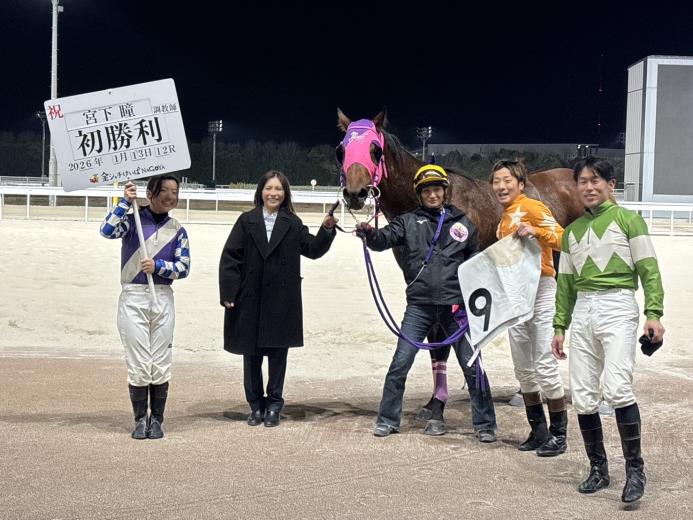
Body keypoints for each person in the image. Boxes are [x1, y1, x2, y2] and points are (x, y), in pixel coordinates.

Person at [552, 157, 665, 503]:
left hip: (618, 305)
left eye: (595, 180)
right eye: (582, 181)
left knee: (617, 389)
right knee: (584, 395)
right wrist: (560, 325)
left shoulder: (629, 220)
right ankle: (598, 469)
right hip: (583, 309)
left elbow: (649, 269)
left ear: (611, 185)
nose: (588, 187)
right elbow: (565, 284)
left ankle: (635, 471)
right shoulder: (571, 233)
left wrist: (654, 313)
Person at [357, 164, 497, 441]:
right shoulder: (407, 222)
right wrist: (370, 233)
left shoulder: (463, 223)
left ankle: (485, 424)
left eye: (437, 190)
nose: (432, 195)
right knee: (400, 362)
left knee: (473, 366)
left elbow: (475, 259)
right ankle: (387, 419)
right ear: (419, 194)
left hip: (455, 307)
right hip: (419, 307)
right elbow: (383, 240)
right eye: (426, 191)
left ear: (445, 192)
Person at [219, 170, 337, 427]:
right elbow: (230, 258)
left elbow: (313, 249)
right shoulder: (246, 221)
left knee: (277, 356)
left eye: (279, 189)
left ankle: (274, 405)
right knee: (251, 356)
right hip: (249, 298)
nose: (273, 193)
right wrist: (228, 293)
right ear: (261, 191)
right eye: (269, 188)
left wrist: (327, 230)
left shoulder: (292, 222)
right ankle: (255, 406)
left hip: (281, 301)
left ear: (285, 194)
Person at [99, 174, 190, 440]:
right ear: (150, 193)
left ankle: (157, 419)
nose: (171, 197)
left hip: (162, 297)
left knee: (160, 361)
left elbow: (184, 267)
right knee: (139, 362)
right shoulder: (132, 221)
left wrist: (158, 266)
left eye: (175, 192)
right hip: (133, 296)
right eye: (165, 191)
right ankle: (140, 419)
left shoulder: (178, 230)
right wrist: (124, 203)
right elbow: (106, 230)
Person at [489, 159, 569, 457]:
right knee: (523, 368)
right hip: (517, 295)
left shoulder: (534, 208)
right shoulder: (502, 221)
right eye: (496, 181)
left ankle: (559, 434)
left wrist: (536, 231)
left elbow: (563, 239)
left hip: (542, 290)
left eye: (507, 180)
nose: (501, 186)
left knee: (544, 364)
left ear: (521, 184)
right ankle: (538, 431)